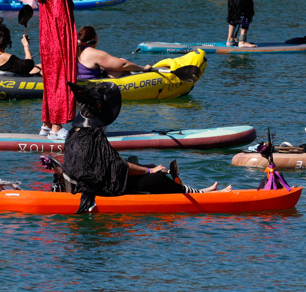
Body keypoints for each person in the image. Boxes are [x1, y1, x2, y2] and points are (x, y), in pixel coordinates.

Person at [58, 82, 228, 212]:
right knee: (157, 178)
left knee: (146, 166)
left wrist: (147, 168)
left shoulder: (76, 131)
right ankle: (202, 195)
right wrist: (149, 171)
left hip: (89, 180)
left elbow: (108, 162)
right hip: (97, 186)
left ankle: (196, 191)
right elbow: (117, 165)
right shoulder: (93, 135)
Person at [38, 0, 77, 139]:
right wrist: (73, 42)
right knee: (60, 81)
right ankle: (56, 128)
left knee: (50, 81)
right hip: (58, 41)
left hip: (46, 41)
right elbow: (61, 18)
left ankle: (45, 125)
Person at [76, 25, 151, 79]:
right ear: (93, 39)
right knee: (123, 68)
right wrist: (143, 68)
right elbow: (123, 65)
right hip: (92, 88)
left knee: (106, 69)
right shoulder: (93, 53)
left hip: (78, 83)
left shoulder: (74, 50)